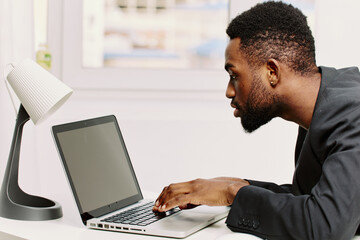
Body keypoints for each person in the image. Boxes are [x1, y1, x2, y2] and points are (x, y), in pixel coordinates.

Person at [152, 1, 360, 239]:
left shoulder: (352, 113)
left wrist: (232, 193)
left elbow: (323, 226)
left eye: (234, 75)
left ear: (271, 72)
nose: (229, 91)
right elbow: (311, 198)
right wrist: (234, 185)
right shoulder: (327, 104)